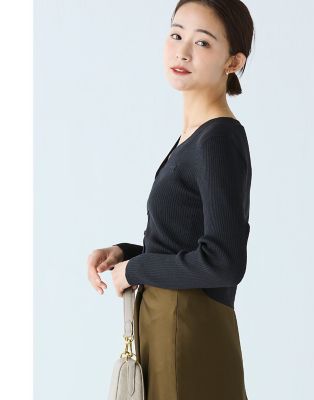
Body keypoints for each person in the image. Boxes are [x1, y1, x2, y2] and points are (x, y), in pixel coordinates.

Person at [87, 1, 255, 399]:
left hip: (184, 328)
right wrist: (125, 254)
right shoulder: (197, 137)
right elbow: (186, 242)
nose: (182, 51)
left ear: (233, 61)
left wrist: (137, 269)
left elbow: (224, 260)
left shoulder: (217, 139)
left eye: (203, 42)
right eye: (177, 34)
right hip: (170, 323)